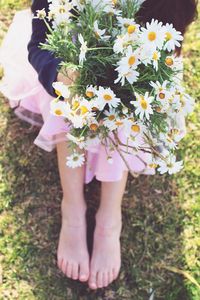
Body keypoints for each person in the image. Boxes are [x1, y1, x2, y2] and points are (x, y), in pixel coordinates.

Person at [0, 0, 197, 290]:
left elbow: (169, 42)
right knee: (70, 111)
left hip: (134, 69)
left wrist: (129, 89)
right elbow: (42, 41)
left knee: (129, 116)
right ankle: (73, 206)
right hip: (68, 65)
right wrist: (62, 76)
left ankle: (109, 216)